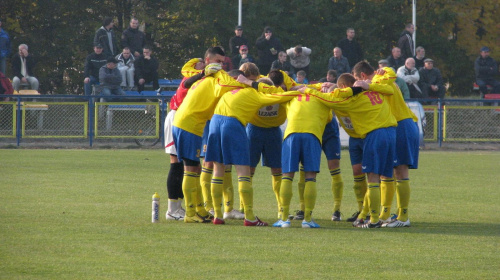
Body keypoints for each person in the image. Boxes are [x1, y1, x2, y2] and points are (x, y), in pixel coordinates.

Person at [304, 72, 397, 228]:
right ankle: (379, 215)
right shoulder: (370, 89)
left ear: (344, 88)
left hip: (375, 133)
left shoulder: (351, 99)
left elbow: (327, 99)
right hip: (391, 131)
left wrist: (307, 90)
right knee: (385, 176)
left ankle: (373, 220)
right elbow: (390, 89)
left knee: (372, 178)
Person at [205, 68, 296, 226]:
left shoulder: (234, 91)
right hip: (232, 124)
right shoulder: (258, 95)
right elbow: (280, 95)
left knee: (218, 169)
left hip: (215, 122)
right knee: (243, 171)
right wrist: (301, 91)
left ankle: (218, 215)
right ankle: (249, 216)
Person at [354, 63, 419, 228]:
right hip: (396, 126)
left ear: (362, 76)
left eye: (356, 80)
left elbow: (391, 72)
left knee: (400, 170)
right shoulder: (376, 85)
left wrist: (368, 84)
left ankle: (403, 217)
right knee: (388, 172)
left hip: (402, 124)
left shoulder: (379, 78)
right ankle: (385, 214)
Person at [164, 57, 205, 221]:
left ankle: (181, 207)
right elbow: (187, 79)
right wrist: (202, 71)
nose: (205, 65)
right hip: (177, 119)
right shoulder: (191, 76)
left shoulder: (200, 79)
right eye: (201, 62)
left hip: (186, 120)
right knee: (177, 164)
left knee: (188, 165)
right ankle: (172, 210)